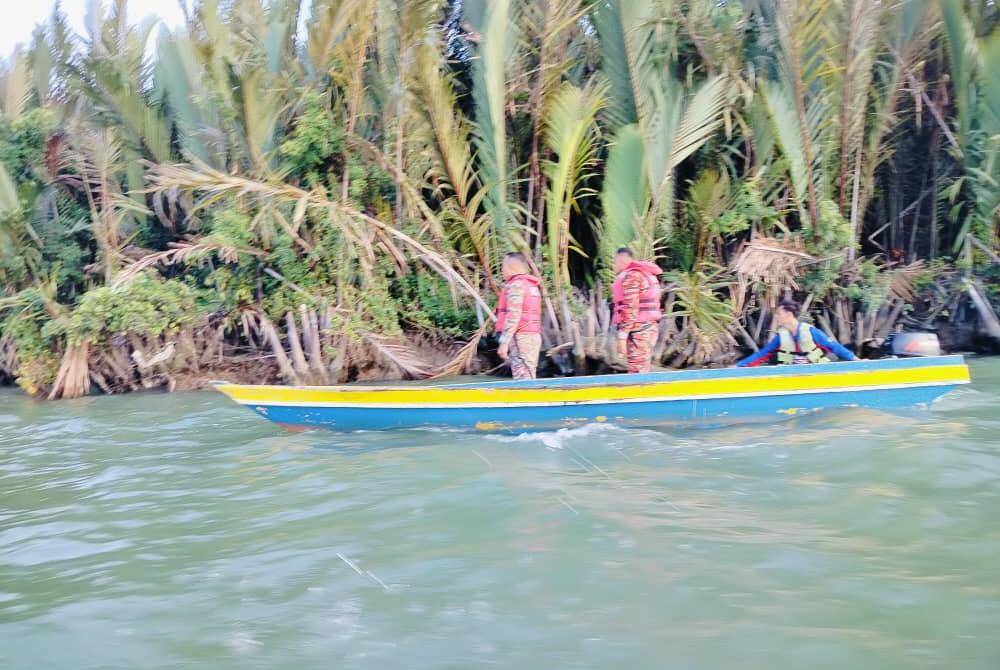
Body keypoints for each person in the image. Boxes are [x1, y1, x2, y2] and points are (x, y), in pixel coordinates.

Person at [737, 299, 858, 367]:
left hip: (817, 371)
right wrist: (740, 366)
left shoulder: (811, 332)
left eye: (779, 314)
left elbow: (834, 347)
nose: (777, 317)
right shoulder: (781, 337)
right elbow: (763, 354)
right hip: (792, 374)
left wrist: (855, 359)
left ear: (789, 315)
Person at [611, 247, 663, 373]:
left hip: (639, 329)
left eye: (614, 262)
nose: (613, 266)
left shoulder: (632, 276)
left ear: (621, 260)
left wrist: (622, 336)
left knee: (637, 370)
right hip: (648, 327)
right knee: (642, 367)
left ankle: (640, 391)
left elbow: (631, 308)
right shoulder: (644, 274)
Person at [495, 252, 543, 380]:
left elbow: (514, 315)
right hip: (532, 336)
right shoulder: (531, 285)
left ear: (512, 267)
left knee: (523, 376)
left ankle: (528, 399)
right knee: (528, 373)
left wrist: (504, 342)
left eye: (503, 266)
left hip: (521, 338)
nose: (502, 270)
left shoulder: (517, 285)